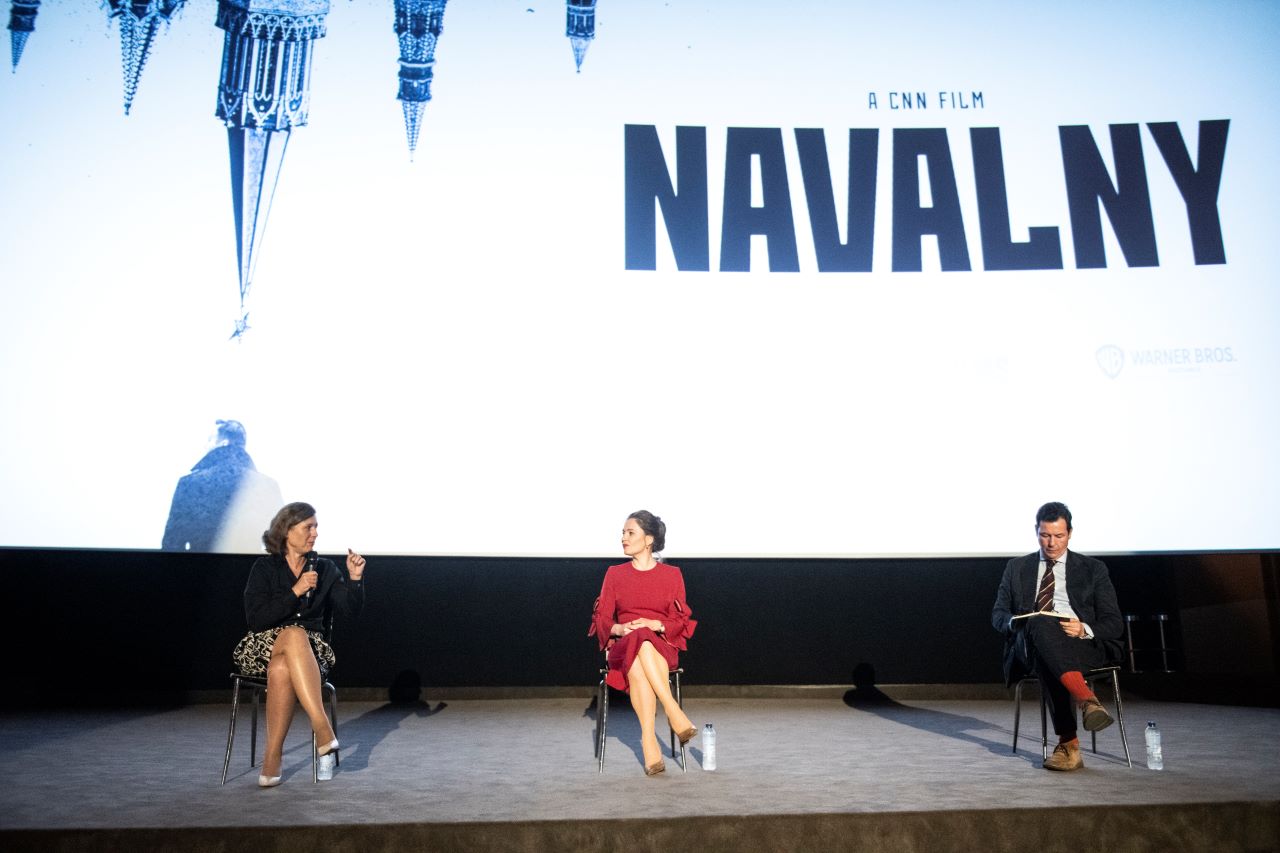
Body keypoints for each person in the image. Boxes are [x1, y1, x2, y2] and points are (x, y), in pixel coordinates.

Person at [233, 502, 367, 786]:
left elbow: (350, 610)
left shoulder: (326, 569)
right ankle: (322, 727)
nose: (315, 533)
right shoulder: (264, 568)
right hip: (261, 646)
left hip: (312, 652)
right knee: (292, 634)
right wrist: (296, 591)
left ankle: (272, 758)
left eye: (316, 527)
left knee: (282, 667)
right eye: (308, 527)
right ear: (286, 530)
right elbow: (256, 620)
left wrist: (355, 579)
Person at [992, 501, 1123, 771]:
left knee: (1048, 657)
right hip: (1030, 643)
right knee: (1040, 623)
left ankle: (1069, 746)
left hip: (1081, 645)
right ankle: (1086, 700)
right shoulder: (1016, 568)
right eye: (1045, 535)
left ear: (1070, 533)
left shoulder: (1093, 569)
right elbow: (998, 616)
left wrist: (1083, 628)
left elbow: (1114, 624)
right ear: (1036, 532)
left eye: (1059, 536)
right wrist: (1019, 622)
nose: (1051, 543)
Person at [589, 510, 698, 775]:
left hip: (660, 646)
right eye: (623, 533)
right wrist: (621, 627)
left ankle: (648, 741)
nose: (623, 538)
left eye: (630, 533)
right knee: (638, 640)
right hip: (622, 646)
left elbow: (679, 622)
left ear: (648, 539)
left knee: (644, 643)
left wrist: (654, 625)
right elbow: (601, 619)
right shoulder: (614, 574)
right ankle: (673, 712)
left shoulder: (672, 575)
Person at [162, 419, 283, 552]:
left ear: (223, 443)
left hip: (200, 570)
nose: (205, 446)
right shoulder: (267, 486)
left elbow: (172, 546)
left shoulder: (190, 483)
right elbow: (283, 542)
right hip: (249, 570)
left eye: (209, 440)